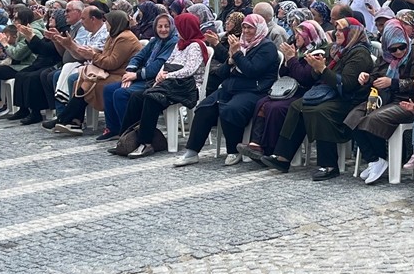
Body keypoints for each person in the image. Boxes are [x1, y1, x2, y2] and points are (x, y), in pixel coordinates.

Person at [260, 18, 375, 181]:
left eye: (342, 30)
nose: (337, 33)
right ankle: (283, 157)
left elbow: (347, 84)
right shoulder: (334, 49)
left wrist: (322, 69)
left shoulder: (359, 53)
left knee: (319, 111)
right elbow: (316, 77)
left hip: (349, 99)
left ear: (353, 33)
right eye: (336, 29)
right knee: (297, 106)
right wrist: (316, 68)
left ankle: (329, 165)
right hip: (329, 93)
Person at [173, 14, 279, 166]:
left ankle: (233, 150)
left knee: (231, 109)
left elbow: (252, 71)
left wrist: (236, 54)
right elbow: (223, 73)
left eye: (250, 27)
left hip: (254, 90)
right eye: (244, 27)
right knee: (204, 107)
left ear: (259, 29)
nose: (246, 31)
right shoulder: (241, 44)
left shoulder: (266, 47)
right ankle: (192, 151)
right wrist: (230, 60)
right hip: (232, 87)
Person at [345, 19, 414, 184]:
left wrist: (393, 83)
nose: (398, 52)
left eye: (401, 47)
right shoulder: (385, 57)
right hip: (384, 98)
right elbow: (376, 75)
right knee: (353, 117)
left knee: (373, 118)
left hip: (408, 101)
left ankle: (379, 158)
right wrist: (367, 78)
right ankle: (375, 159)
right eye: (393, 48)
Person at [239, 19, 329, 161]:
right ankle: (256, 144)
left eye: (299, 34)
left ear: (308, 36)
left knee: (277, 108)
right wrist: (288, 61)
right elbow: (284, 74)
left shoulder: (318, 52)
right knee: (263, 102)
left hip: (309, 92)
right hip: (291, 89)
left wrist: (291, 59)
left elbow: (305, 78)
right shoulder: (300, 51)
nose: (296, 37)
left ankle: (270, 150)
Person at [124, 13, 211, 159]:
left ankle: (145, 142)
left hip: (188, 87)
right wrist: (160, 74)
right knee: (136, 96)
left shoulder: (196, 45)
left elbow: (189, 70)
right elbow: (168, 61)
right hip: (173, 84)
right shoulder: (181, 43)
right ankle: (126, 139)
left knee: (152, 98)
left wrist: (167, 75)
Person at [52, 10, 140, 133]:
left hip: (121, 74)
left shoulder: (125, 38)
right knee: (82, 79)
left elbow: (111, 63)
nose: (106, 24)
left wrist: (93, 55)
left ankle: (66, 118)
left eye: (108, 21)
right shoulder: (114, 36)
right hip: (111, 72)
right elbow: (105, 57)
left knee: (89, 84)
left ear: (115, 22)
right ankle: (73, 120)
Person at [98, 12, 178, 140]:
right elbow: (138, 56)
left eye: (166, 26)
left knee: (121, 94)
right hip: (141, 76)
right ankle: (114, 128)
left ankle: (129, 133)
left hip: (155, 80)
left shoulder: (173, 41)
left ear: (172, 26)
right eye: (160, 26)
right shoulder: (155, 40)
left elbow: (158, 66)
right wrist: (129, 72)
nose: (163, 30)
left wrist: (135, 76)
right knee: (109, 89)